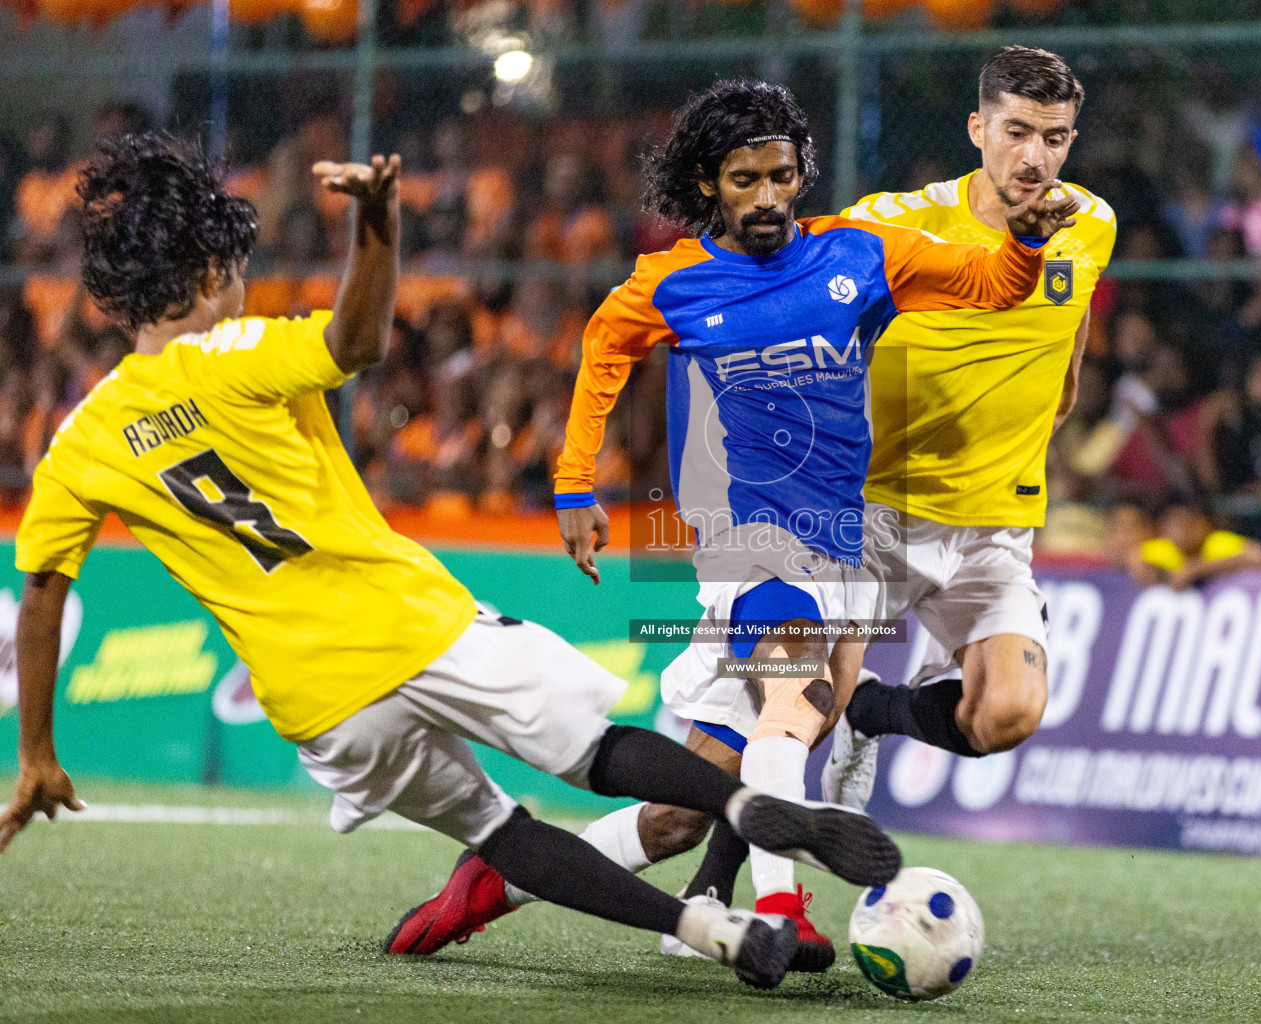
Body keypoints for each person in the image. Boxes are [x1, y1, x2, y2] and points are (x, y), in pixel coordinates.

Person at [0, 133, 901, 993]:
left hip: (319, 707)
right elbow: (354, 343)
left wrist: (37, 752)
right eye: (233, 275)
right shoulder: (236, 354)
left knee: (499, 833)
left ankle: (717, 928)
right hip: (413, 626)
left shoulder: (82, 439)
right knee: (596, 753)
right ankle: (749, 811)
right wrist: (380, 225)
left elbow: (42, 589)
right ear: (209, 275)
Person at [402, 77, 1076, 972]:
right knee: (795, 711)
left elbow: (992, 284)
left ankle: (492, 883)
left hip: (843, 540)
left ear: (801, 175)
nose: (765, 197)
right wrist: (574, 487)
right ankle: (785, 914)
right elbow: (603, 350)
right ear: (707, 182)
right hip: (746, 535)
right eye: (743, 179)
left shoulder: (859, 256)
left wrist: (1025, 245)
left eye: (780, 176)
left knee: (689, 807)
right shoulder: (673, 281)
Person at [822, 47, 1115, 813]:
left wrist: (1053, 402)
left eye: (1054, 138)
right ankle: (723, 888)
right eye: (1017, 132)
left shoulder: (1090, 225)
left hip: (991, 523)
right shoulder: (892, 224)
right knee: (799, 709)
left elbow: (1071, 331)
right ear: (978, 128)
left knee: (1006, 715)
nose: (1034, 156)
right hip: (874, 510)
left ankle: (873, 715)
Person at [1130, 499, 1261, 590]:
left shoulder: (1215, 542)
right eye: (1177, 525)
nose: (1184, 532)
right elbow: (1135, 558)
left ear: (1205, 523)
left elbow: (1256, 555)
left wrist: (1195, 570)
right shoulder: (1165, 548)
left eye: (1190, 523)